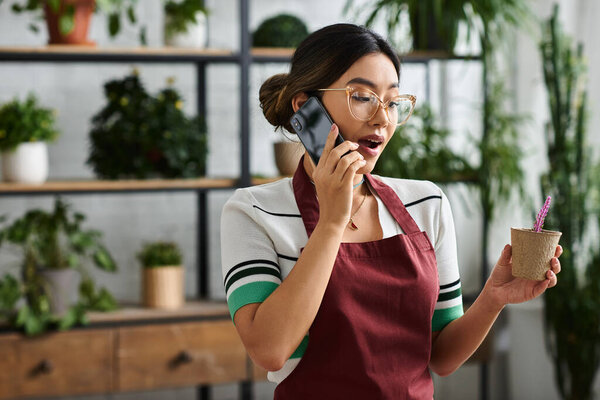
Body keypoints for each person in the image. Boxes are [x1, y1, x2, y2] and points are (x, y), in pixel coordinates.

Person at [220, 23, 562, 399]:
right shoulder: (253, 212)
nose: (383, 119)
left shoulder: (426, 203)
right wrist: (332, 222)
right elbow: (270, 350)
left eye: (393, 101)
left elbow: (441, 357)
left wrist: (494, 298)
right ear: (307, 108)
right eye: (363, 97)